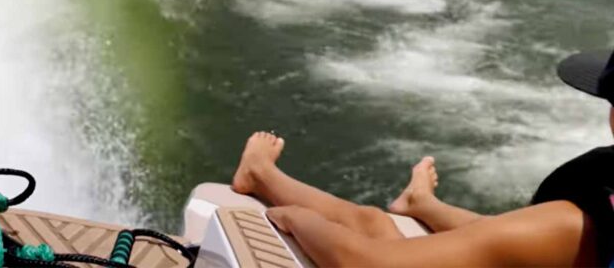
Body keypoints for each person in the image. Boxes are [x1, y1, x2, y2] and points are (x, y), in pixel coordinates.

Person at [230, 48, 614, 267]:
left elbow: (366, 264)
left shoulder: (575, 223)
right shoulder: (574, 225)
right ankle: (421, 204)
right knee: (380, 224)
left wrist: (298, 219)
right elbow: (522, 239)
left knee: (374, 227)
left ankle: (262, 173)